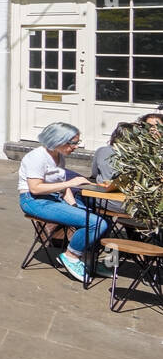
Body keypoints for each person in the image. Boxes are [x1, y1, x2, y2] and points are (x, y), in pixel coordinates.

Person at [17, 121, 109, 284]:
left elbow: (63, 187)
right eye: (73, 143)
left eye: (77, 142)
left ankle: (88, 260)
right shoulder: (37, 157)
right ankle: (71, 256)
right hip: (34, 201)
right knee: (96, 223)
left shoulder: (59, 157)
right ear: (58, 140)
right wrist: (71, 183)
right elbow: (36, 188)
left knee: (102, 221)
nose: (76, 147)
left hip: (54, 199)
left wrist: (74, 206)